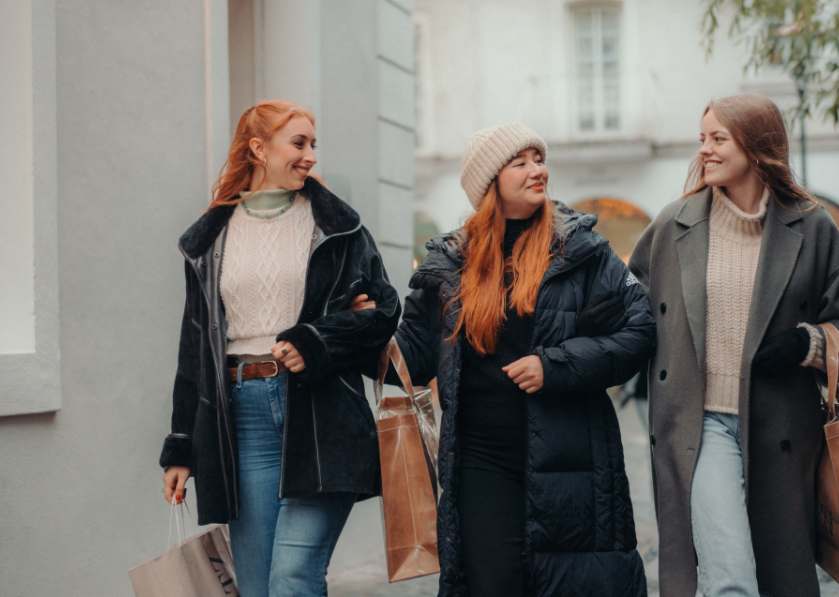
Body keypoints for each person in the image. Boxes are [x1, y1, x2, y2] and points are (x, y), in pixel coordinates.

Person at [388, 122, 653, 596]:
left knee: (568, 585)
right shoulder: (450, 263)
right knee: (494, 585)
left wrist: (554, 366)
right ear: (490, 183)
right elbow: (409, 359)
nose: (539, 170)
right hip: (481, 460)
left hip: (570, 455)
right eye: (522, 162)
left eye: (539, 159)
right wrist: (356, 329)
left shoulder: (583, 250)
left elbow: (638, 331)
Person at [629, 95, 839, 597]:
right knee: (730, 580)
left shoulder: (812, 226)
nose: (705, 150)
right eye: (703, 139)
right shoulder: (675, 223)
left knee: (783, 576)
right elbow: (627, 309)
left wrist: (805, 343)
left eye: (718, 138)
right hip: (701, 429)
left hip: (781, 425)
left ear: (757, 146)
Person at [158, 100, 400, 597]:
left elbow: (384, 310)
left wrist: (316, 341)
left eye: (314, 144)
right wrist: (182, 446)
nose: (311, 155)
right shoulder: (212, 237)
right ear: (258, 148)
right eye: (299, 143)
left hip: (320, 412)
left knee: (292, 578)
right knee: (255, 586)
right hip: (240, 419)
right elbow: (193, 349)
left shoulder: (337, 226)